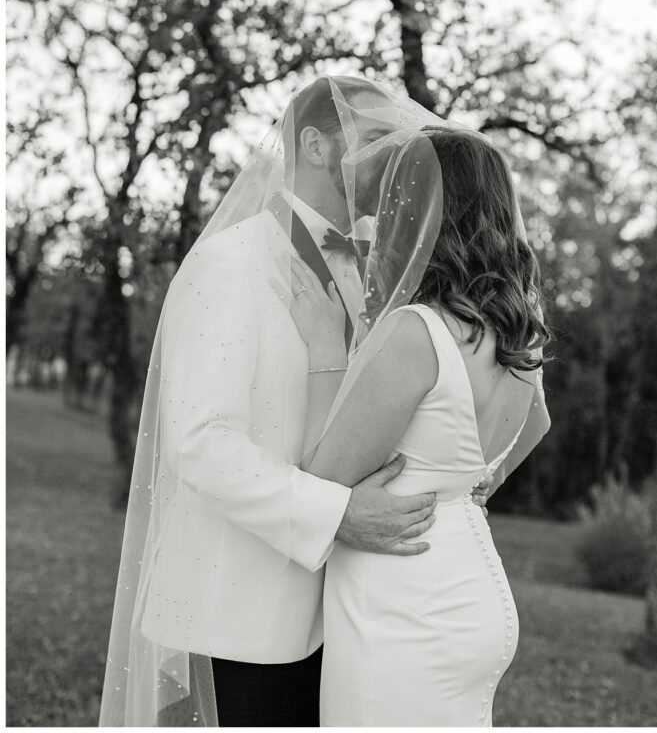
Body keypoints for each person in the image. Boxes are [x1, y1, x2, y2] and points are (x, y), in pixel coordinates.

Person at [98, 75, 493, 727]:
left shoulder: (380, 271)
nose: (391, 159)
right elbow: (200, 442)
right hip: (240, 613)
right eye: (373, 140)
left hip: (345, 613)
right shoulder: (231, 263)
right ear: (314, 143)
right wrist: (336, 513)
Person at [276, 124, 552, 726]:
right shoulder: (515, 329)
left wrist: (326, 344)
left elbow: (322, 482)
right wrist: (472, 484)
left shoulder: (417, 331)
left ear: (425, 209)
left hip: (404, 606)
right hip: (472, 589)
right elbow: (536, 425)